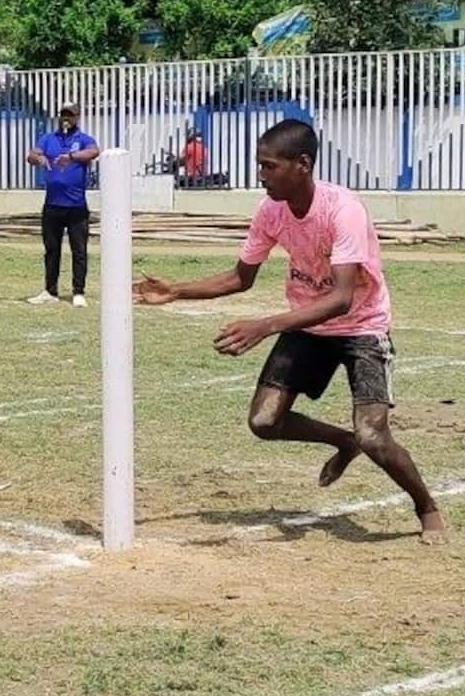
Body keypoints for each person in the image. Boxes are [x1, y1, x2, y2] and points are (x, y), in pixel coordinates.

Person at [134, 120, 446, 545]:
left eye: (269, 166)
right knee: (264, 421)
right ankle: (342, 441)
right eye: (259, 165)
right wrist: (176, 290)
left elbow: (341, 299)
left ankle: (427, 508)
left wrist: (265, 326)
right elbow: (240, 278)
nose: (261, 175)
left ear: (303, 164)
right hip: (308, 325)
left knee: (373, 435)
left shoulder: (343, 210)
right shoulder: (270, 212)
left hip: (361, 328)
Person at [24, 103, 99, 307]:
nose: (67, 118)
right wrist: (38, 158)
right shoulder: (49, 139)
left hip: (76, 206)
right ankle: (50, 290)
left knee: (79, 250)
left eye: (71, 115)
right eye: (64, 115)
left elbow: (93, 152)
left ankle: (78, 292)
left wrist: (72, 156)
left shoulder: (83, 139)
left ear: (77, 117)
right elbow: (31, 155)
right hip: (52, 205)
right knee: (51, 249)